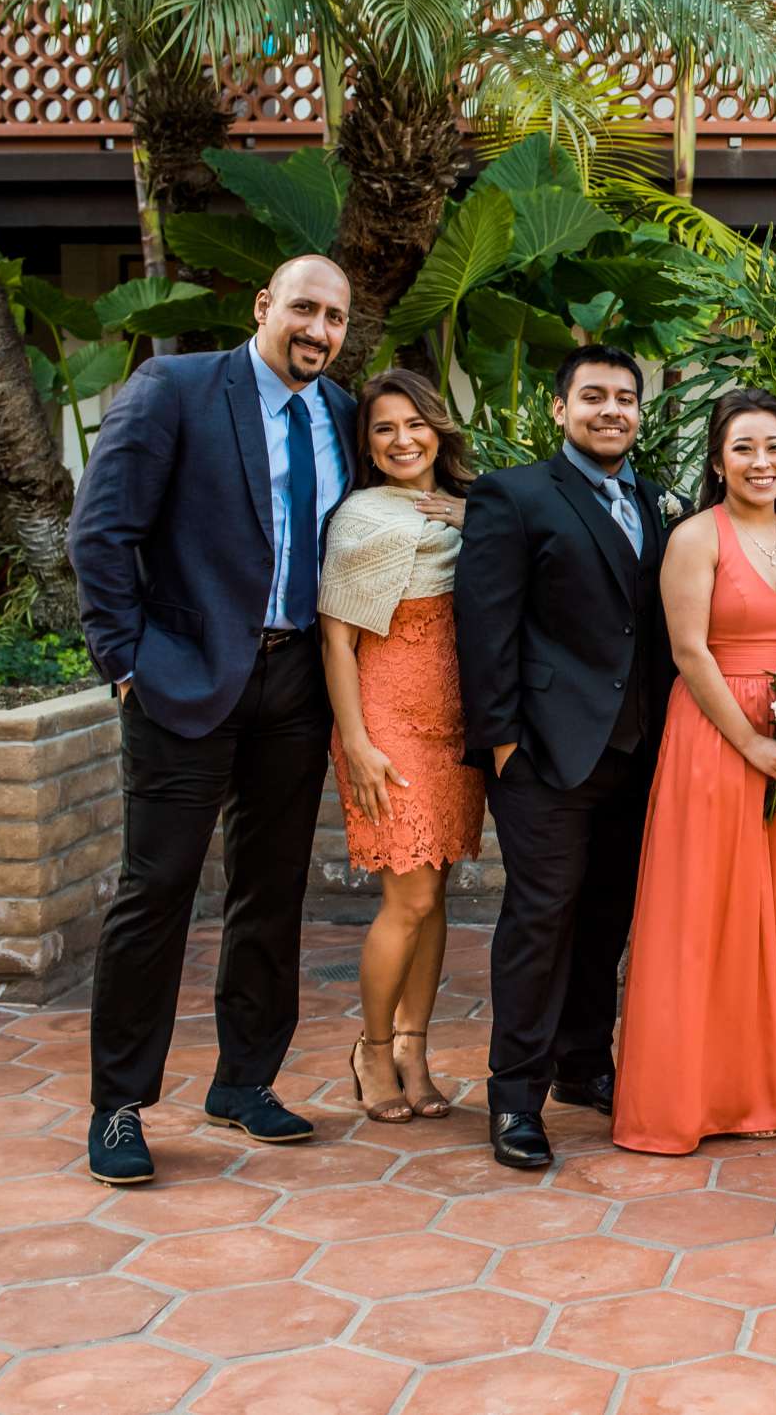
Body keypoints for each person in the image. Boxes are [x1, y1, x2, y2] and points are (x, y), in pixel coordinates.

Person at [68, 255, 360, 1185]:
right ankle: (118, 1107)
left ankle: (244, 1082)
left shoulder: (343, 417)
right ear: (263, 304)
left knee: (271, 893)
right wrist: (126, 665)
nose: (319, 330)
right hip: (183, 682)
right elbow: (101, 533)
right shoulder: (177, 389)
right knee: (156, 892)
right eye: (304, 309)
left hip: (296, 687)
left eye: (337, 318)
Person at [457, 347, 677, 1172]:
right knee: (540, 920)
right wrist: (503, 744)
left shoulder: (658, 503)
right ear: (561, 409)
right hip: (545, 754)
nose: (611, 410)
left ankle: (584, 1065)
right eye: (593, 397)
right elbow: (483, 629)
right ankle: (515, 1096)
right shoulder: (512, 495)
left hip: (637, 753)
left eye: (624, 398)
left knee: (606, 919)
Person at [615, 390, 776, 1154]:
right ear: (718, 460)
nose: (761, 461)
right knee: (709, 912)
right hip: (717, 739)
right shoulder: (695, 538)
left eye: (774, 447)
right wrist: (753, 744)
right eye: (744, 447)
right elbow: (689, 653)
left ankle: (770, 1085)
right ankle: (696, 1095)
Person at [318, 369, 484, 1123]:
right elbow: (337, 639)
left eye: (414, 423)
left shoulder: (467, 506)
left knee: (436, 892)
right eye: (383, 429)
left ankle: (418, 1050)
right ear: (368, 445)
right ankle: (373, 1049)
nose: (402, 440)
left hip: (456, 719)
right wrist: (356, 740)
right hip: (388, 720)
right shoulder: (359, 520)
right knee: (408, 895)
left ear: (437, 428)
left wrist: (472, 515)